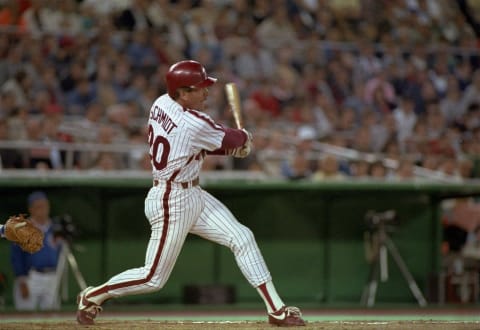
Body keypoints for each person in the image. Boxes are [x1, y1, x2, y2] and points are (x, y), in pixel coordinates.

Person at [76, 60, 306, 327]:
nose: (206, 92)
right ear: (183, 93)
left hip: (191, 193)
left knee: (242, 237)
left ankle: (276, 310)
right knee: (152, 278)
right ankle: (92, 296)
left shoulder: (161, 102)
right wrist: (242, 140)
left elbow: (206, 141)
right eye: (199, 88)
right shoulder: (193, 122)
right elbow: (230, 140)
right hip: (171, 201)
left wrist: (234, 143)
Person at [10, 191, 63, 311]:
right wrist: (22, 280)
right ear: (31, 209)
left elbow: (61, 253)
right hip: (32, 276)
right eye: (38, 207)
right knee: (25, 316)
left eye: (45, 206)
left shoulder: (55, 228)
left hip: (51, 276)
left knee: (54, 317)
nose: (43, 210)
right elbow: (16, 257)